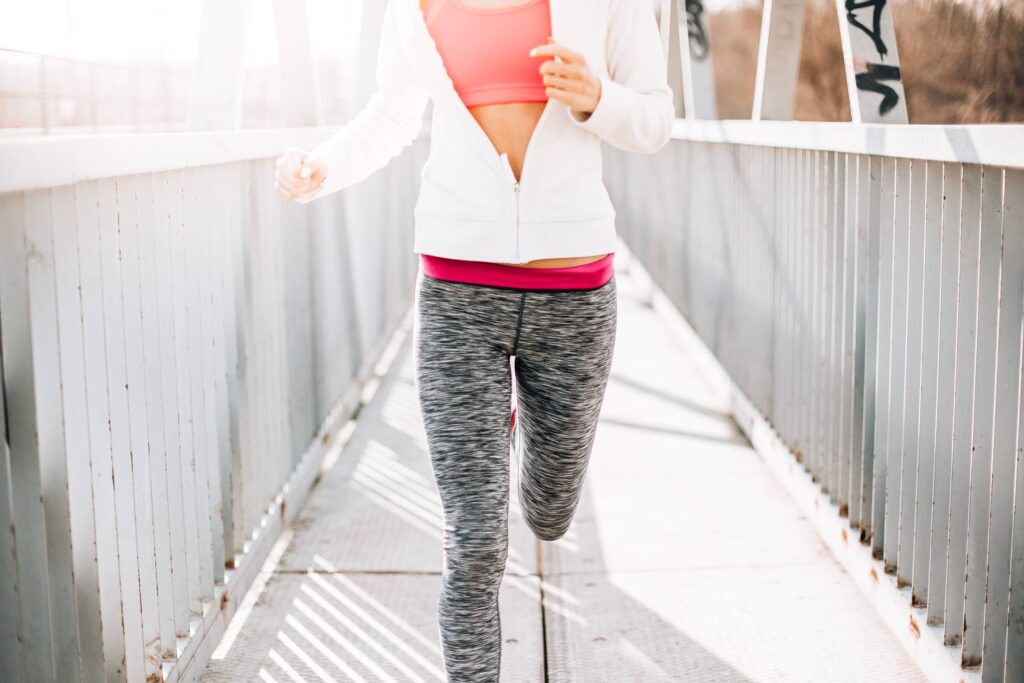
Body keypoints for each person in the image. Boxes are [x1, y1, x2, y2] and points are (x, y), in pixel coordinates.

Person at [275, 0, 673, 679]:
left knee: (549, 511)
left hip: (572, 298)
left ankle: (532, 472)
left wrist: (598, 97)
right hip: (458, 295)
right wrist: (322, 166)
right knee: (474, 538)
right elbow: (391, 114)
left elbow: (656, 118)